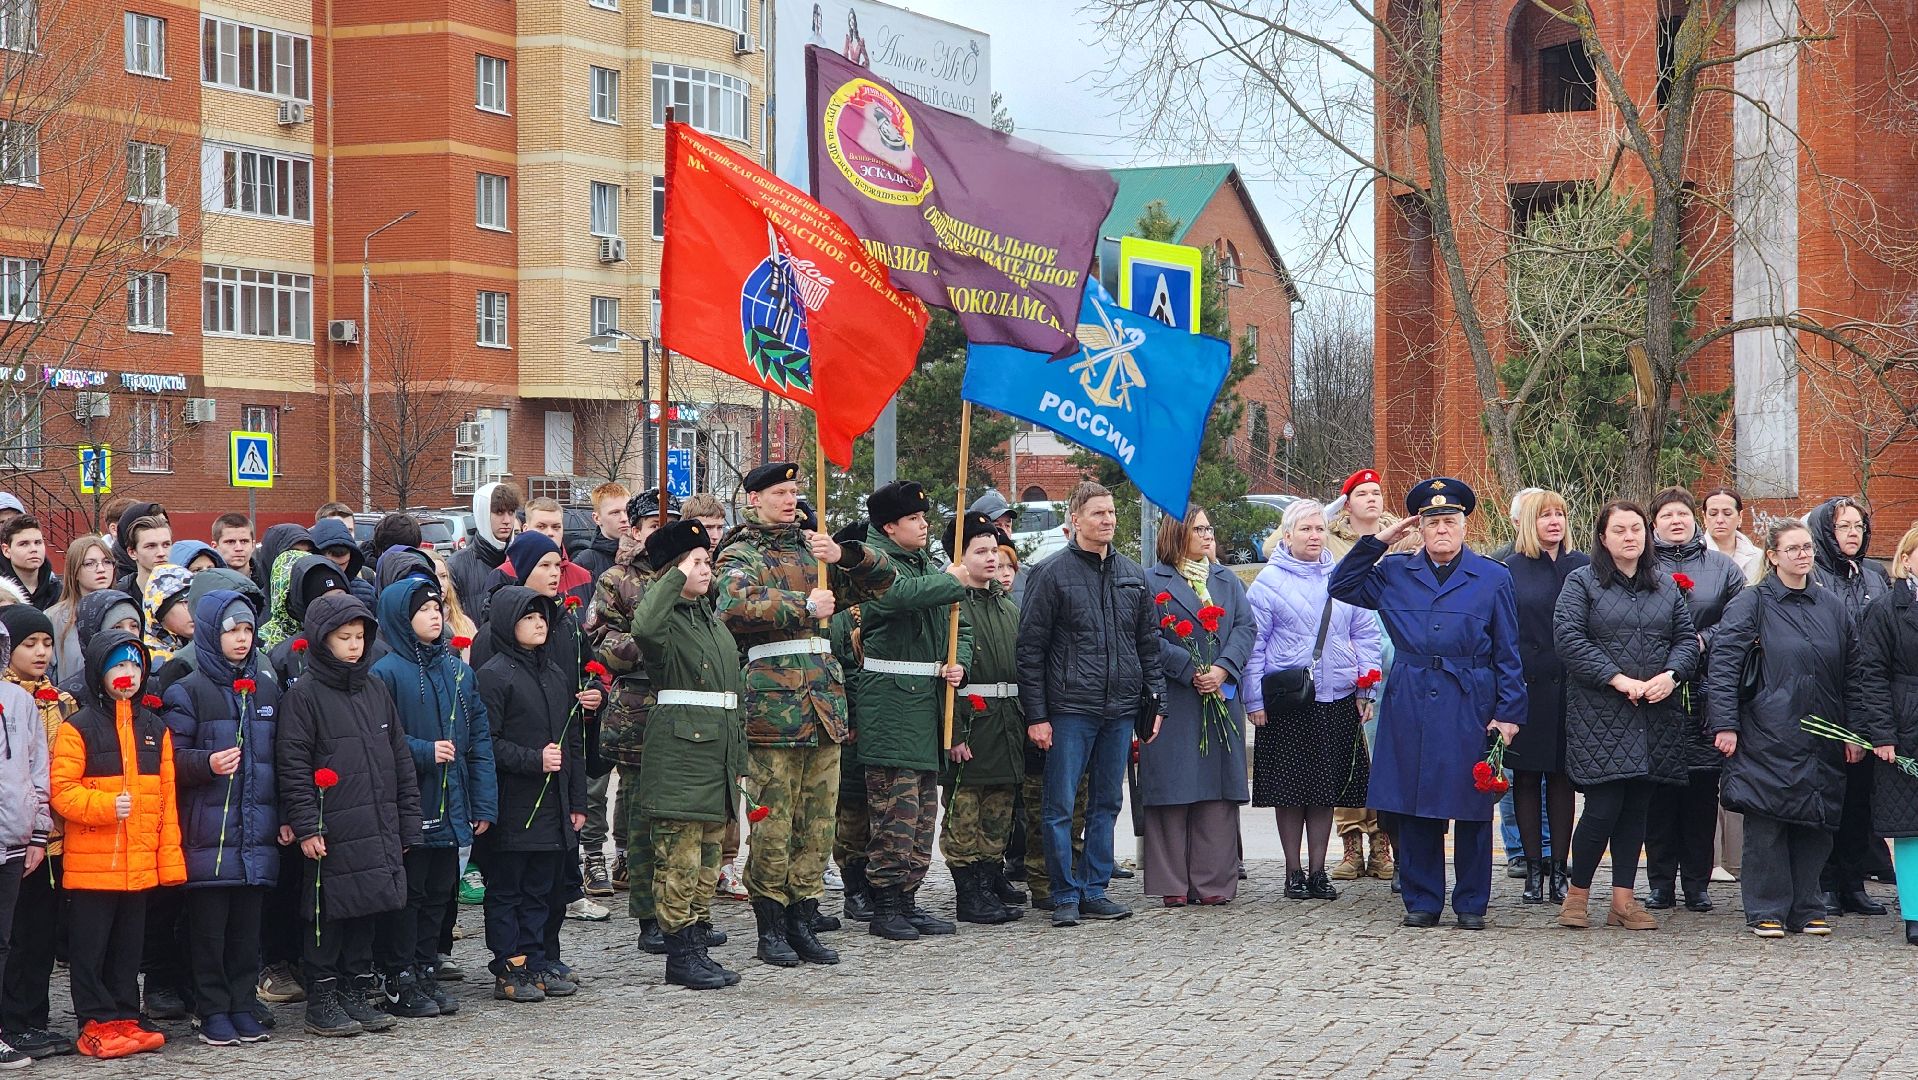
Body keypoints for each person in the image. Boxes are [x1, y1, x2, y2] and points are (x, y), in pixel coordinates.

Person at [715, 462, 894, 963]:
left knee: (818, 822)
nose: (789, 499)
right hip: (773, 707)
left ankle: (803, 915)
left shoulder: (813, 548)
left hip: (823, 704)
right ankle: (771, 924)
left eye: (794, 490)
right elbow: (732, 603)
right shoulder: (741, 552)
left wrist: (846, 555)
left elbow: (884, 580)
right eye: (779, 492)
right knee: (774, 821)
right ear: (754, 499)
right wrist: (803, 605)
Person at [1329, 477, 1525, 930]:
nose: (1441, 530)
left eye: (1449, 521)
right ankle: (1422, 899)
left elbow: (1508, 651)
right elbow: (1341, 584)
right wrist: (1379, 541)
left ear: (1464, 526)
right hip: (1411, 697)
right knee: (1414, 802)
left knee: (1472, 805)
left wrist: (1509, 712)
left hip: (1470, 699)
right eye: (1432, 522)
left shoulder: (1493, 576)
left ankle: (1471, 902)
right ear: (1419, 528)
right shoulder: (1396, 571)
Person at [1016, 481, 1166, 928]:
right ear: (1075, 519)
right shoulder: (1051, 574)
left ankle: (1094, 888)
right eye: (1098, 513)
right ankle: (1063, 893)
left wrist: (1155, 703)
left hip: (1120, 709)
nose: (1108, 520)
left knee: (1107, 803)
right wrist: (1037, 716)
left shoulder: (1131, 574)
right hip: (1069, 709)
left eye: (1112, 512)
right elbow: (1030, 651)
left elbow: (1148, 644)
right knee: (1059, 807)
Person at [1706, 519, 1864, 938]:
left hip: (1823, 731)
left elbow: (1854, 674)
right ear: (1773, 556)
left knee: (1816, 822)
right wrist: (1725, 724)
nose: (1803, 555)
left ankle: (1807, 906)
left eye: (1807, 547)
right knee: (1768, 822)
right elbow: (1724, 667)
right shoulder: (1751, 603)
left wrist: (1854, 733)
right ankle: (1766, 908)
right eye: (1793, 549)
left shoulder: (1832, 606)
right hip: (1766, 729)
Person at [275, 593, 421, 1036]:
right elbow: (293, 766)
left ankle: (355, 990)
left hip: (376, 821)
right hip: (332, 824)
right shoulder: (304, 695)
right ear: (323, 640)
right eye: (344, 638)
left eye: (360, 637)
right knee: (328, 911)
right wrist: (307, 826)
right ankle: (322, 997)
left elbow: (399, 758)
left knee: (367, 907)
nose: (355, 646)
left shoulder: (374, 688)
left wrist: (407, 823)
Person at [1552, 501, 1700, 931]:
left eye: (1636, 528)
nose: (1629, 536)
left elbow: (1686, 640)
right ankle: (1577, 896)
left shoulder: (1665, 584)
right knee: (1603, 807)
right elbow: (1569, 639)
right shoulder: (1582, 582)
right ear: (1603, 537)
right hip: (1601, 712)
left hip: (1654, 712)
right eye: (1619, 530)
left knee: (1637, 809)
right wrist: (1616, 679)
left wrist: (1672, 675)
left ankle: (1623, 901)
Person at [51, 630, 184, 1058]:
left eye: (134, 665)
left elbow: (167, 800)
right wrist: (105, 806)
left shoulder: (155, 728)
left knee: (129, 949)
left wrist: (169, 861)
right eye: (119, 665)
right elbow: (62, 791)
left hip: (139, 865)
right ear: (99, 673)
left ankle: (126, 1015)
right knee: (91, 950)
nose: (129, 673)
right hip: (93, 867)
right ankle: (95, 1022)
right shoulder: (77, 728)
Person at [159, 590, 282, 1047]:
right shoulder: (188, 690)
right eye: (232, 630)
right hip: (208, 835)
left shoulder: (265, 688)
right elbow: (171, 759)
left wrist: (285, 816)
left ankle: (242, 1004)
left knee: (247, 932)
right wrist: (206, 763)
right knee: (209, 932)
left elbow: (281, 758)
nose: (242, 639)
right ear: (212, 633)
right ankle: (211, 1009)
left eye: (248, 629)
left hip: (256, 832)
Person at [370, 576, 496, 1018]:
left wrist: (482, 801)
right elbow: (378, 740)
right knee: (411, 893)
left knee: (441, 892)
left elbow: (479, 739)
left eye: (436, 608)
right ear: (401, 619)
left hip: (453, 801)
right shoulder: (385, 673)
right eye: (422, 610)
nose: (434, 616)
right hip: (412, 802)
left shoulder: (458, 670)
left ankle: (425, 967)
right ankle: (398, 973)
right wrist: (424, 751)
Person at [630, 520, 747, 989]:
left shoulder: (708, 618)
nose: (705, 568)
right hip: (681, 757)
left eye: (706, 561)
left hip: (716, 759)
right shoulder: (666, 618)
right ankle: (679, 955)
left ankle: (697, 945)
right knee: (678, 861)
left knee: (705, 862)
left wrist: (737, 761)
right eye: (696, 562)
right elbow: (643, 627)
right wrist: (674, 575)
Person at [855, 482, 969, 945]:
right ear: (889, 527)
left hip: (924, 701)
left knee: (922, 812)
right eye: (914, 519)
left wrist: (956, 662)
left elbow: (953, 624)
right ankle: (885, 903)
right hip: (892, 703)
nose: (924, 525)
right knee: (895, 812)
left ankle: (907, 898)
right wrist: (952, 580)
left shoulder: (924, 565)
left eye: (924, 518)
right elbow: (897, 597)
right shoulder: (874, 563)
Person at [1246, 500, 1376, 901]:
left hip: (1337, 697)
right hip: (1289, 702)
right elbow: (1254, 647)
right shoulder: (1267, 583)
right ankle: (1293, 872)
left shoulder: (1342, 579)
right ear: (1287, 536)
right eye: (1305, 529)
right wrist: (1254, 700)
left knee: (1325, 791)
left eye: (1319, 528)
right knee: (1290, 792)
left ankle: (1319, 871)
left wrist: (1366, 687)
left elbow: (1365, 633)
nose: (1314, 536)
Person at [475, 586, 584, 1002]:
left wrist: (576, 801)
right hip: (513, 804)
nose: (539, 624)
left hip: (552, 806)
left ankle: (537, 960)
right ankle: (510, 965)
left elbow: (571, 741)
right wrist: (532, 760)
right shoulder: (494, 675)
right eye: (528, 617)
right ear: (508, 623)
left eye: (542, 617)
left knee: (541, 889)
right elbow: (486, 742)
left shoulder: (554, 673)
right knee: (508, 890)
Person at [1144, 506, 1255, 906]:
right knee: (1173, 786)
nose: (1208, 535)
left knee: (1215, 789)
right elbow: (1147, 637)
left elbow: (1245, 627)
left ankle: (1213, 881)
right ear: (1176, 534)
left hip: (1220, 695)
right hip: (1176, 699)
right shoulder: (1151, 581)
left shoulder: (1227, 580)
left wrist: (1223, 669)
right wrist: (1190, 668)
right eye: (1199, 529)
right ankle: (1172, 882)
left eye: (1209, 528)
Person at [1644, 487, 1746, 913]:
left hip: (1706, 690)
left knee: (1701, 794)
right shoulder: (1642, 565)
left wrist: (1701, 641)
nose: (1676, 521)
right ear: (1655, 523)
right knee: (1659, 795)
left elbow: (1740, 620)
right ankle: (1660, 882)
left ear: (1695, 520)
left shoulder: (1722, 568)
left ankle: (1697, 882)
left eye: (1682, 514)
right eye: (1667, 515)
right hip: (1657, 688)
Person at [586, 489, 678, 945]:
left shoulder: (695, 574)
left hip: (689, 708)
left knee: (685, 816)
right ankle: (648, 912)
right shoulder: (617, 580)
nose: (664, 532)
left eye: (671, 523)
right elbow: (602, 642)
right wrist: (655, 643)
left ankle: (684, 910)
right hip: (640, 707)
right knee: (644, 816)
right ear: (636, 530)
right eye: (656, 525)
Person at [1806, 495, 1892, 918]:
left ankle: (1853, 882)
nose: (1853, 533)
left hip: (1869, 696)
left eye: (1858, 526)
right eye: (1843, 526)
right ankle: (1823, 882)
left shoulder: (1874, 575)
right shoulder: (1813, 575)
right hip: (1826, 697)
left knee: (1860, 798)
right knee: (1827, 795)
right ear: (1826, 532)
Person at [941, 512, 1029, 924]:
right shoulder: (951, 606)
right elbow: (947, 677)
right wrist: (955, 732)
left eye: (994, 550)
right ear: (958, 558)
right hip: (972, 724)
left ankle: (990, 881)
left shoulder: (1007, 607)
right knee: (965, 811)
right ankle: (969, 893)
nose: (991, 558)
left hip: (1006, 722)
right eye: (980, 551)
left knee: (999, 810)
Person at [1501, 489, 1587, 905]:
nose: (1555, 522)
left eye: (1560, 515)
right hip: (1525, 685)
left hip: (1571, 686)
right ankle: (1532, 870)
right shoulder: (1509, 568)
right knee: (1525, 776)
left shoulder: (1582, 565)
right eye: (1545, 515)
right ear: (1528, 523)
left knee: (1562, 777)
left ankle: (1558, 869)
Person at [1, 606, 76, 1061]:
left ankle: (33, 1019)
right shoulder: (12, 699)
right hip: (15, 833)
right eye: (30, 644)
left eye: (47, 643)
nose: (41, 652)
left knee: (40, 934)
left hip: (48, 835)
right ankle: (13, 1020)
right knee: (15, 934)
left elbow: (48, 768)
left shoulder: (61, 701)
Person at [1317, 468, 1399, 883]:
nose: (1372, 499)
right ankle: (1351, 841)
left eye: (1377, 492)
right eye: (1361, 493)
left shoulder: (1402, 540)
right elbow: (1277, 543)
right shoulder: (1330, 542)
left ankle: (1383, 842)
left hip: (1394, 661)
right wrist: (1328, 511)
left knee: (1385, 755)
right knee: (1350, 756)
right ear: (1346, 503)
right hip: (1346, 661)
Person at [1857, 524, 1918, 946]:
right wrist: (1882, 734)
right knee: (1911, 827)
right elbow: (1872, 676)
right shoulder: (1884, 610)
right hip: (1905, 721)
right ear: (1906, 558)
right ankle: (1914, 910)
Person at [0, 618, 50, 1068]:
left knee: (4, 941)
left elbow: (36, 768)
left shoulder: (18, 701)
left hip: (13, 838)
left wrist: (37, 831)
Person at [49, 536, 115, 686]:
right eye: (90, 563)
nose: (101, 569)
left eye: (107, 562)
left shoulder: (125, 612)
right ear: (75, 572)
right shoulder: (54, 618)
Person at [449, 482, 520, 618]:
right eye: (499, 512)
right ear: (483, 514)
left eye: (511, 512)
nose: (507, 520)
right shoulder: (456, 566)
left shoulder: (521, 560)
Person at [308, 519, 377, 610]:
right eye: (333, 565)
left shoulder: (367, 593)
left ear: (352, 559)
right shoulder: (303, 590)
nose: (339, 570)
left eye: (344, 564)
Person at [569, 482, 630, 582]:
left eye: (627, 511)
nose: (624, 518)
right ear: (597, 518)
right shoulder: (585, 564)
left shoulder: (645, 555)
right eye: (615, 513)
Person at [1701, 487, 1762, 584]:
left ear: (1740, 517)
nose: (1720, 520)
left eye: (1727, 514)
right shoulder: (1692, 555)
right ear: (1704, 517)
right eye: (1713, 514)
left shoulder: (1759, 558)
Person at [142, 563, 195, 672]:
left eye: (196, 600)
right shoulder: (144, 659)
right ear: (159, 609)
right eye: (185, 602)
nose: (193, 609)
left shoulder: (206, 648)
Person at [0, 515, 59, 610]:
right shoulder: (2, 592)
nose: (33, 549)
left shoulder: (58, 591)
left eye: (38, 542)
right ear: (6, 550)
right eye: (24, 544)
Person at [116, 512, 172, 601]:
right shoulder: (119, 595)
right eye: (151, 546)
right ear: (132, 553)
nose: (161, 553)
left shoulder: (186, 590)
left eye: (166, 545)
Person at [249, 524, 312, 602]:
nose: (303, 558)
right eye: (294, 553)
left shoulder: (319, 600)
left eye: (309, 552)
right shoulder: (254, 604)